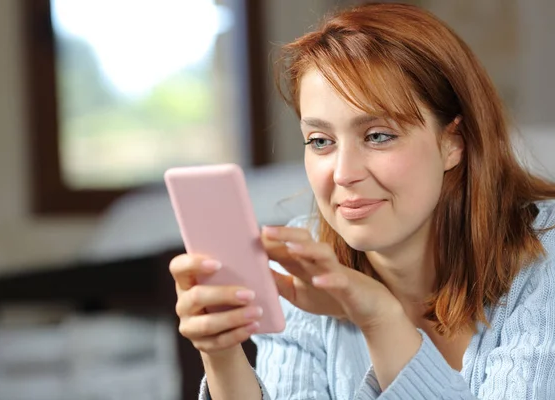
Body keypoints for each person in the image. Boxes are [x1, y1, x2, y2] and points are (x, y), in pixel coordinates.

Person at [169, 3, 555, 399]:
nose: (343, 173)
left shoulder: (546, 265)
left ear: (452, 142)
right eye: (321, 141)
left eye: (378, 135)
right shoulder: (305, 264)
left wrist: (377, 315)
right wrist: (221, 353)